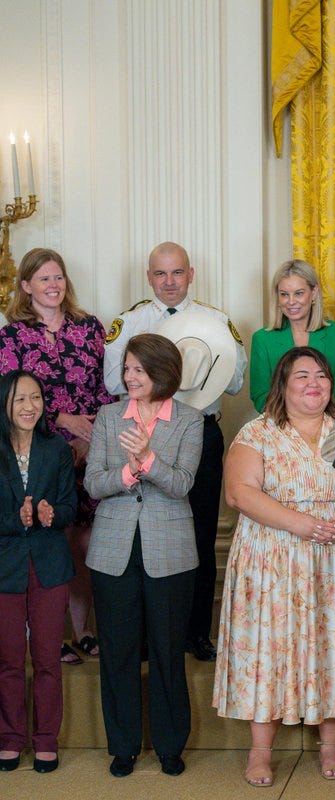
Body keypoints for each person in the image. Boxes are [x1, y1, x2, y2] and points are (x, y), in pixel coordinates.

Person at [214, 347, 335, 787]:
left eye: (321, 375)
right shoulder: (258, 432)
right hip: (273, 555)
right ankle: (260, 751)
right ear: (283, 385)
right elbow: (239, 492)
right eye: (301, 376)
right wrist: (306, 525)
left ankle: (331, 745)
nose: (314, 382)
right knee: (268, 647)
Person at [102, 241, 247, 663]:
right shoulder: (129, 322)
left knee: (199, 532)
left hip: (200, 431)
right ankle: (148, 636)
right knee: (144, 535)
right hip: (143, 432)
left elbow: (235, 384)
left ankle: (195, 632)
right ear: (149, 277)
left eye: (177, 272)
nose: (169, 282)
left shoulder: (216, 321)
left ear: (191, 273)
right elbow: (113, 383)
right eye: (160, 274)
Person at [85, 333, 203, 778]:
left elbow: (182, 483)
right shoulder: (109, 416)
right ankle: (123, 746)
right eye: (128, 368)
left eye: (139, 369)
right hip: (112, 549)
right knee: (117, 651)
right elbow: (94, 484)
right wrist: (128, 470)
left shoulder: (190, 420)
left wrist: (148, 460)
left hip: (170, 552)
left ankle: (172, 746)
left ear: (163, 372)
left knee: (169, 651)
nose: (130, 376)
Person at [0, 247, 114, 664]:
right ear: (26, 286)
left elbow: (110, 389)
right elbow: (13, 400)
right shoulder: (12, 337)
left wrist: (92, 435)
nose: (53, 285)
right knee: (56, 539)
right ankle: (54, 636)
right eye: (43, 279)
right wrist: (63, 422)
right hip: (42, 448)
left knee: (89, 539)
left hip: (94, 444)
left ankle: (84, 630)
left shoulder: (90, 328)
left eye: (59, 277)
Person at [0, 371, 76, 774]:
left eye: (35, 398)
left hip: (49, 565)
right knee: (9, 660)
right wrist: (18, 518)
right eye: (19, 401)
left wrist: (50, 514)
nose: (30, 407)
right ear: (5, 406)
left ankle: (46, 739)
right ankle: (10, 738)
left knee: (47, 658)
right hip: (5, 566)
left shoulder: (57, 449)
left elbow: (69, 507)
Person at [248, 259, 335, 412]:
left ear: (314, 292)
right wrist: (299, 411)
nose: (291, 301)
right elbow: (260, 396)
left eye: (299, 293)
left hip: (331, 424)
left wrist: (309, 406)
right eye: (284, 294)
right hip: (281, 428)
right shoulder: (262, 339)